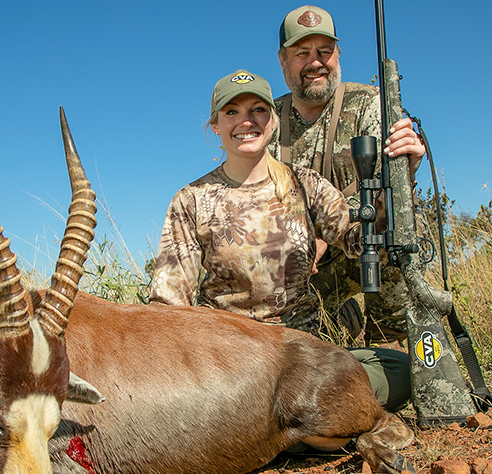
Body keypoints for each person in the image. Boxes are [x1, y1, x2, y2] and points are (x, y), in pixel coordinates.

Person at [149, 69, 409, 412]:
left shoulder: (305, 184)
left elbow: (358, 239)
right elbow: (168, 306)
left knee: (401, 370)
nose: (246, 121)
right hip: (228, 361)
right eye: (232, 112)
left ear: (273, 121)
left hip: (302, 356)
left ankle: (283, 421)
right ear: (215, 126)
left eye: (257, 110)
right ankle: (302, 421)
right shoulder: (191, 200)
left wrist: (401, 172)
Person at [270, 5, 427, 345]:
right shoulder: (266, 119)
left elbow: (388, 191)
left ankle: (393, 341)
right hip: (299, 264)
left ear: (338, 54)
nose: (315, 62)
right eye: (302, 53)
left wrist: (407, 168)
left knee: (398, 225)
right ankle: (341, 322)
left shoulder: (370, 103)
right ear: (283, 61)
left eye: (324, 51)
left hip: (360, 246)